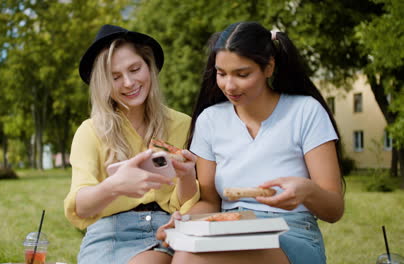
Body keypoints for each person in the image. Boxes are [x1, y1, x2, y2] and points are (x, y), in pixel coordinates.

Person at [158, 21, 344, 264]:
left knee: (189, 259)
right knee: (185, 254)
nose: (229, 86)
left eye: (242, 74)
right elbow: (210, 202)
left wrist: (306, 191)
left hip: (290, 234)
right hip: (228, 229)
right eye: (221, 73)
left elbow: (334, 210)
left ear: (269, 67)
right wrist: (186, 221)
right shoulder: (210, 120)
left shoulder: (306, 112)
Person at [64, 24, 200, 264]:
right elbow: (80, 207)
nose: (128, 82)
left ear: (149, 66)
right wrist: (114, 186)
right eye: (114, 77)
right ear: (102, 84)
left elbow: (186, 203)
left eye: (135, 69)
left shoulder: (182, 125)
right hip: (108, 234)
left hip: (164, 230)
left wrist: (188, 176)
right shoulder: (90, 131)